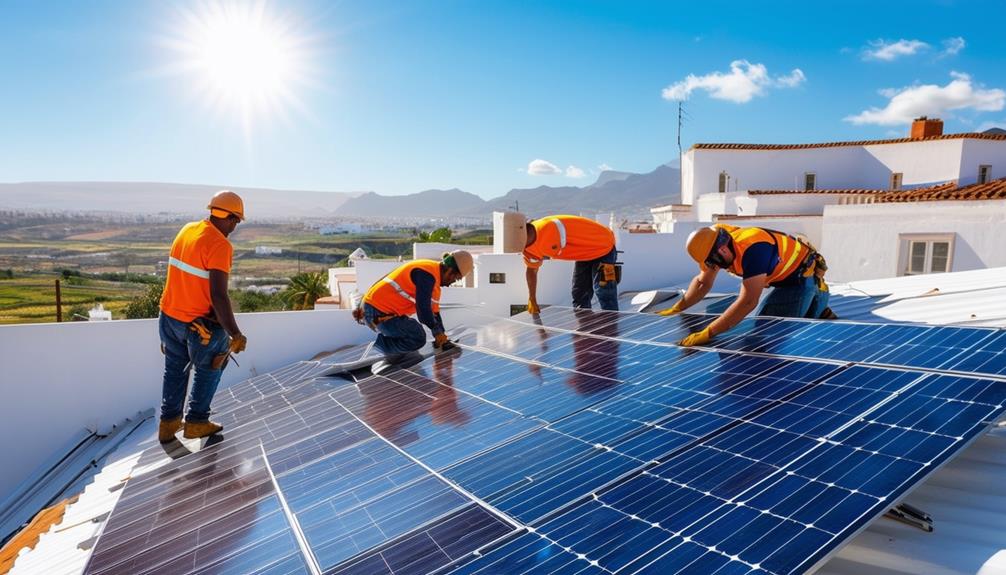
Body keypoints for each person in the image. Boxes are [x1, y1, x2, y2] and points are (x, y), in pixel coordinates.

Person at [158, 190, 247, 442]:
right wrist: (235, 333)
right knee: (212, 364)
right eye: (236, 221)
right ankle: (196, 421)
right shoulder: (219, 244)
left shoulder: (187, 229)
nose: (235, 226)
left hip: (168, 317)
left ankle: (169, 423)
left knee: (175, 368)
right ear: (228, 217)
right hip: (197, 325)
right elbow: (219, 296)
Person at [664, 224, 833, 347]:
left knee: (768, 331)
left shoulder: (754, 250)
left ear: (722, 250)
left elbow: (748, 302)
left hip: (800, 279)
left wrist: (709, 332)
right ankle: (816, 304)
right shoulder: (713, 238)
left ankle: (817, 301)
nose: (713, 267)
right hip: (783, 277)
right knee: (767, 323)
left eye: (713, 262)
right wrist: (679, 307)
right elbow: (702, 283)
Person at [353, 251, 474, 361]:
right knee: (417, 336)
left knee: (414, 332)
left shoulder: (433, 277)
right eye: (456, 278)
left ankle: (389, 347)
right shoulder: (426, 275)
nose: (452, 283)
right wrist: (437, 334)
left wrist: (442, 337)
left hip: (380, 312)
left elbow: (435, 314)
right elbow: (423, 311)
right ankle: (379, 349)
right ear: (449, 270)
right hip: (375, 313)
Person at [502, 213, 619, 313]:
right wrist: (532, 298)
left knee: (604, 292)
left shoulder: (549, 229)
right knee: (579, 294)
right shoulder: (527, 248)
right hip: (584, 253)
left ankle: (612, 332)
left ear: (524, 234)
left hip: (603, 246)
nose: (522, 251)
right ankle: (583, 333)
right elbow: (532, 270)